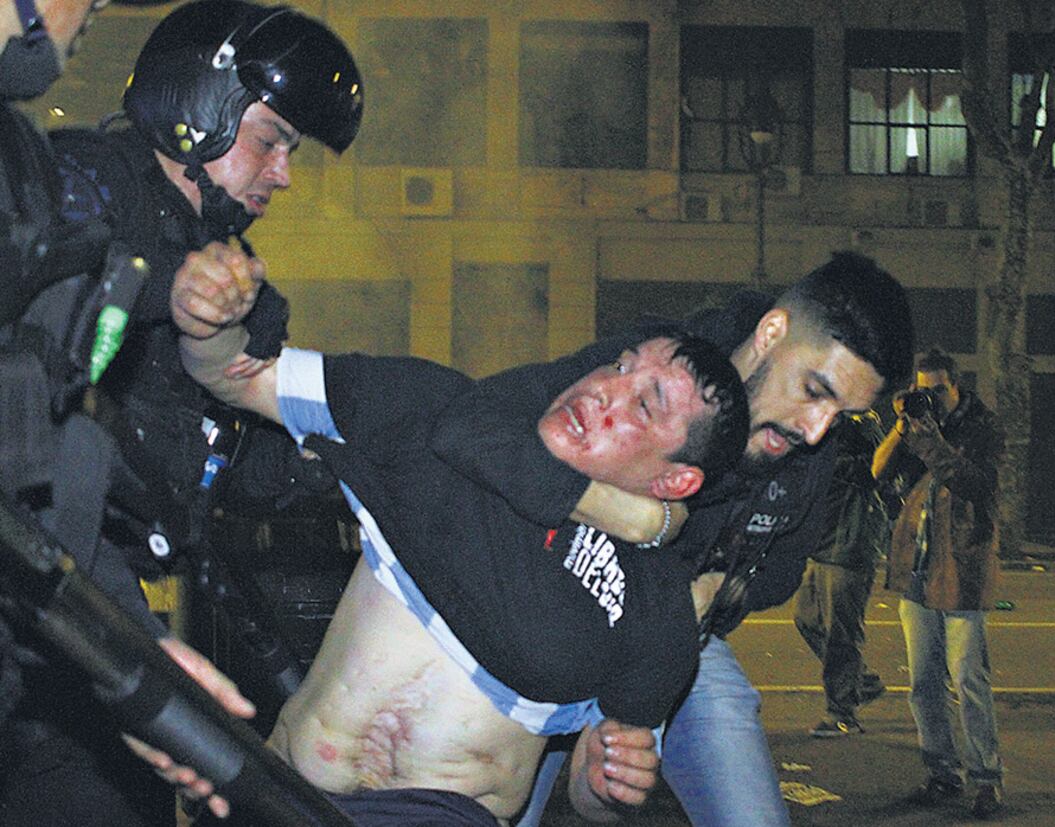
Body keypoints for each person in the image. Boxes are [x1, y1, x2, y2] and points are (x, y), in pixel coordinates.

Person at [170, 242, 751, 825]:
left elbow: (590, 794)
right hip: (284, 795)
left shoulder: (657, 609)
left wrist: (606, 779)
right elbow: (239, 376)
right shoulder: (436, 414)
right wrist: (207, 322)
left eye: (644, 405)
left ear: (676, 479)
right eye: (620, 366)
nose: (603, 388)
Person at [1, 1, 362, 823]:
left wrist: (352, 464)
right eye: (269, 138)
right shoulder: (75, 182)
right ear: (198, 107)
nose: (283, 173)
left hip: (102, 614)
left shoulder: (247, 286)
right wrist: (168, 293)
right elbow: (40, 354)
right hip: (43, 611)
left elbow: (235, 465)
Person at [427, 251, 915, 827]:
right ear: (772, 332)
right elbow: (470, 426)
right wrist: (634, 517)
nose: (816, 429)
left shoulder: (807, 452)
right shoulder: (656, 364)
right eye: (814, 390)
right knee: (497, 813)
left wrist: (718, 591)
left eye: (843, 412)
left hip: (680, 650)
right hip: (555, 616)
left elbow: (782, 571)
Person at [872, 346, 1004, 819]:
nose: (929, 398)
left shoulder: (983, 427)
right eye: (921, 391)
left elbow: (973, 483)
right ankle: (941, 772)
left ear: (955, 386)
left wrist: (929, 439)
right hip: (917, 568)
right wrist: (902, 425)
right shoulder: (919, 423)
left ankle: (986, 779)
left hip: (963, 568)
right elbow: (879, 471)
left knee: (968, 676)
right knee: (924, 681)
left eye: (936, 391)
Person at [793, 409, 890, 738]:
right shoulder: (816, 430)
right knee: (806, 619)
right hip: (823, 542)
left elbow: (877, 471)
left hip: (848, 544)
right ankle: (859, 682)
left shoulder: (860, 426)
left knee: (841, 635)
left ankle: (842, 712)